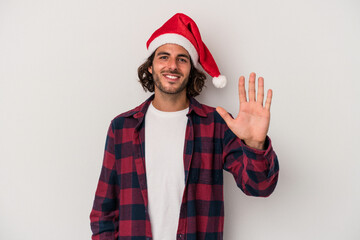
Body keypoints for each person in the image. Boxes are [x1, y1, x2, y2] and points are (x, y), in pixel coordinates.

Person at [90, 13, 279, 240]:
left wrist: (256, 144)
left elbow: (260, 186)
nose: (172, 65)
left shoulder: (216, 124)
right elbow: (103, 211)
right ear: (151, 67)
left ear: (191, 70)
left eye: (182, 58)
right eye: (164, 57)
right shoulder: (121, 128)